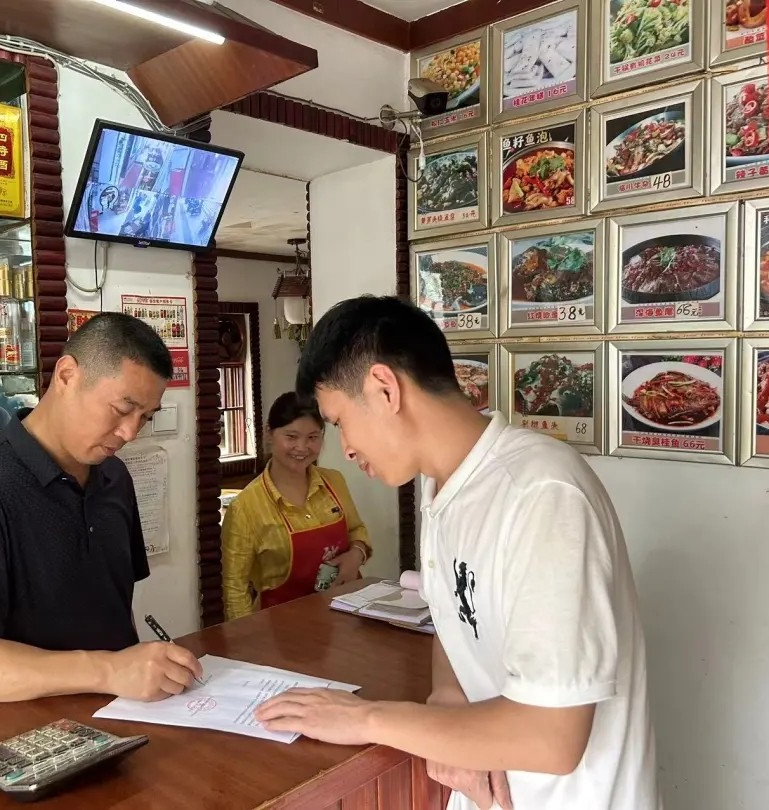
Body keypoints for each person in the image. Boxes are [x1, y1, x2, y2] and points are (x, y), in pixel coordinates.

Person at [255, 296, 659, 810]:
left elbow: (552, 738)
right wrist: (446, 704)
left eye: (338, 423)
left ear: (384, 389)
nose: (345, 448)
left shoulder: (540, 494)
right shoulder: (443, 484)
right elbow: (454, 616)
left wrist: (365, 718)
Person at [0, 312, 203, 703]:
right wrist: (108, 670)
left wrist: (136, 673)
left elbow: (114, 615)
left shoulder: (114, 478)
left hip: (117, 718)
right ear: (67, 375)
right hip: (23, 739)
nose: (129, 433)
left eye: (145, 417)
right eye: (123, 409)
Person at [221, 392, 370, 620]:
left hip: (345, 611)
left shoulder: (334, 481)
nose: (302, 447)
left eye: (312, 437)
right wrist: (244, 641)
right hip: (281, 627)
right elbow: (235, 589)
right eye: (291, 437)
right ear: (269, 433)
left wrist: (356, 555)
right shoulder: (246, 507)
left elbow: (357, 530)